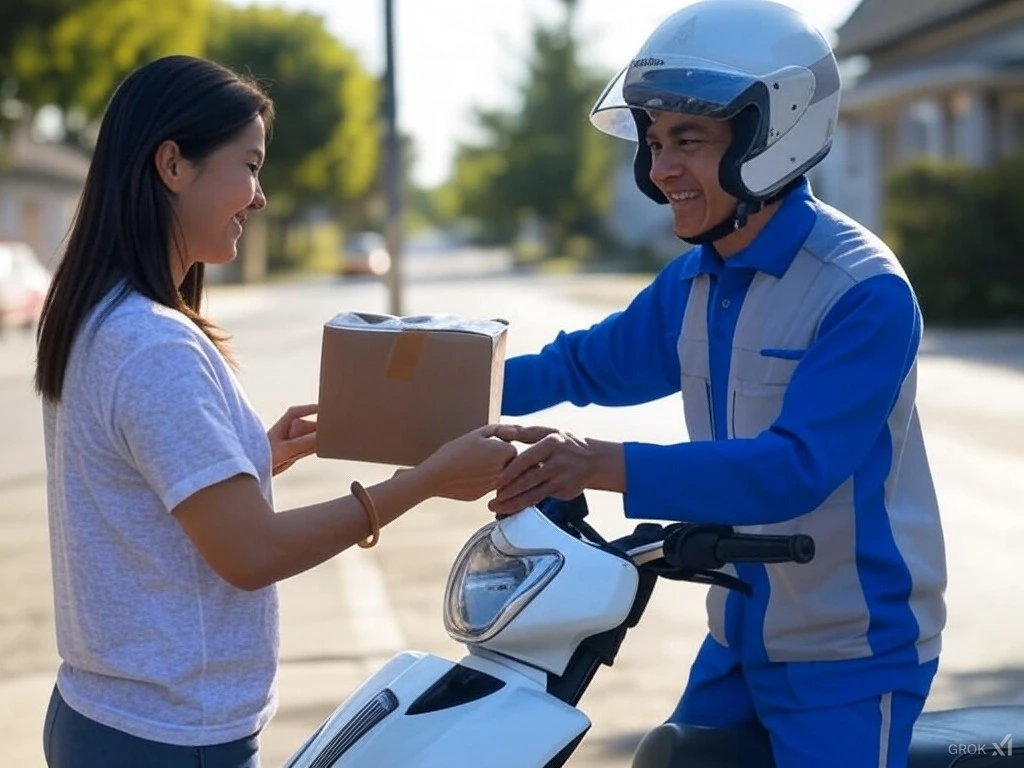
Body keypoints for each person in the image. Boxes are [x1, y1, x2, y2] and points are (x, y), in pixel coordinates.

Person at [487, 1, 947, 766]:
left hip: (848, 657)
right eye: (655, 141)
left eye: (689, 141)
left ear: (774, 134)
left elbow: (793, 468)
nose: (663, 169)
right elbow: (580, 365)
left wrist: (596, 462)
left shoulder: (862, 291)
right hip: (738, 639)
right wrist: (424, 394)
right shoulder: (698, 279)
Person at [33, 54, 516, 768]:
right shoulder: (155, 343)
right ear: (173, 164)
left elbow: (134, 489)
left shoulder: (101, 316)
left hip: (108, 717)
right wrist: (426, 479)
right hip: (170, 738)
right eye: (250, 165)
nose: (259, 196)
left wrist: (254, 454)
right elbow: (252, 555)